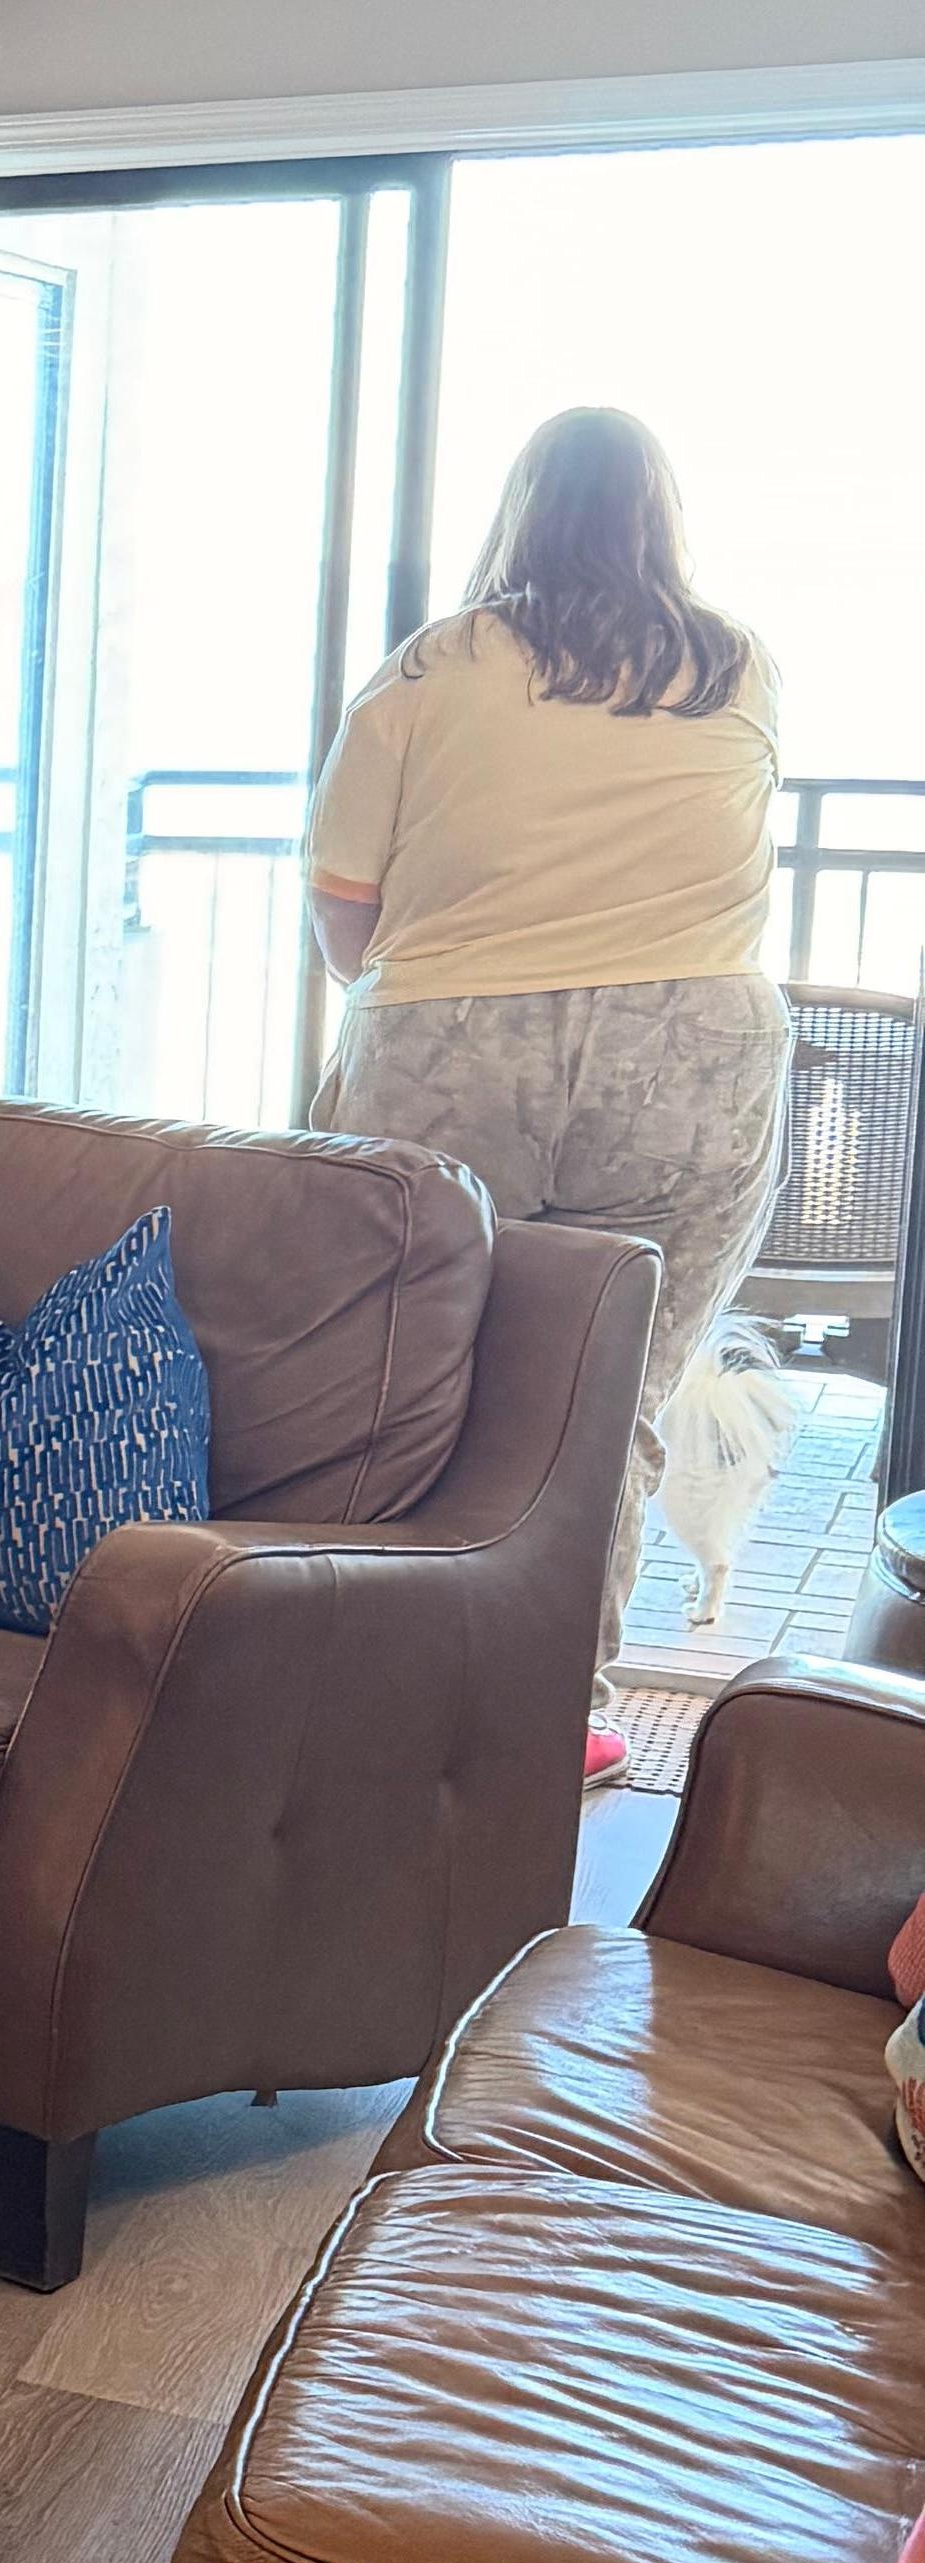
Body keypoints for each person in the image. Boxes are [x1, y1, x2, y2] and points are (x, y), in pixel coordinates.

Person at [304, 405, 787, 1780]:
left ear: (517, 513)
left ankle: (364, 1699)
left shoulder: (425, 672)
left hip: (454, 1046)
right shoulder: (739, 667)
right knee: (614, 1393)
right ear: (663, 521)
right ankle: (545, 1719)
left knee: (396, 1384)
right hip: (690, 1054)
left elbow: (347, 919)